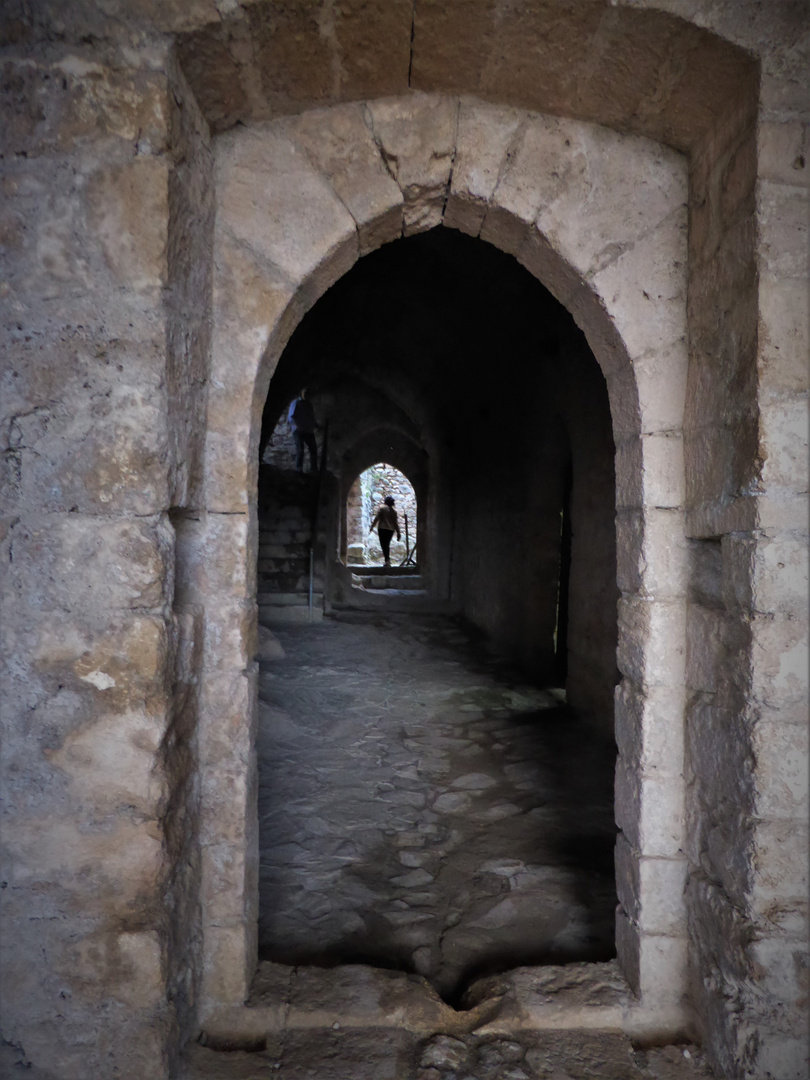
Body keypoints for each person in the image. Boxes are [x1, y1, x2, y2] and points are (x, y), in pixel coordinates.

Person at [287, 388, 318, 473]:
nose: (307, 396)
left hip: (308, 430)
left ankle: (314, 468)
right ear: (301, 394)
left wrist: (316, 425)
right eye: (305, 393)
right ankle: (299, 469)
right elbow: (291, 417)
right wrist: (297, 427)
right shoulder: (296, 403)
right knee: (300, 449)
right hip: (298, 430)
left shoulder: (309, 405)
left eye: (308, 394)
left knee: (313, 449)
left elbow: (311, 418)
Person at [369, 495, 401, 567]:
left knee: (383, 545)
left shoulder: (382, 509)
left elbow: (376, 519)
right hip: (390, 530)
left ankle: (387, 560)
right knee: (387, 544)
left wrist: (372, 527)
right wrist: (398, 532)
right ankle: (387, 560)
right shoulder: (394, 512)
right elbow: (395, 523)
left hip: (382, 529)